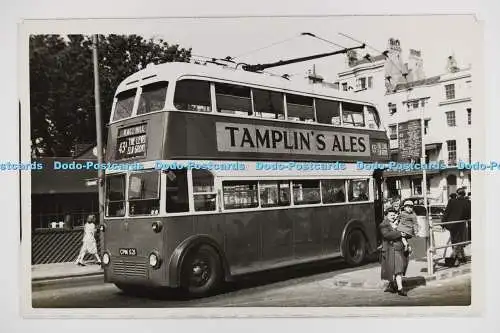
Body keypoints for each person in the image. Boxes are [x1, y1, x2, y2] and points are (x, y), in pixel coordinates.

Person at [379, 208, 410, 296]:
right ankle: (400, 289)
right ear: (386, 216)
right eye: (391, 215)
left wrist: (405, 235)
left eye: (394, 215)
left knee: (396, 269)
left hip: (400, 249)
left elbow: (407, 233)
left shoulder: (398, 223)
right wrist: (400, 233)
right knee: (398, 269)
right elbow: (387, 235)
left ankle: (393, 285)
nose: (393, 217)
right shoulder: (383, 225)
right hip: (391, 249)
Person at [442, 187, 471, 266]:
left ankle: (457, 258)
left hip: (452, 224)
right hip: (461, 224)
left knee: (455, 241)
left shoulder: (452, 201)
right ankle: (458, 258)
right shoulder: (467, 202)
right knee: (459, 241)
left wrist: (443, 223)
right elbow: (468, 214)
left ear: (457, 194)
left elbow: (446, 213)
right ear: (464, 194)